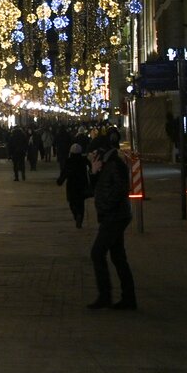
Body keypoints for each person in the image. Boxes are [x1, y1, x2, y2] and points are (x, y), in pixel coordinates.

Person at [87, 132, 137, 310]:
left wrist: (106, 206)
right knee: (117, 256)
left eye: (93, 153)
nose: (92, 156)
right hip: (111, 216)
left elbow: (120, 190)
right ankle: (128, 298)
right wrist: (94, 173)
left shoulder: (115, 164)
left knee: (97, 253)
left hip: (115, 216)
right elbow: (93, 190)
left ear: (102, 151)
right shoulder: (106, 165)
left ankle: (105, 295)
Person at [56, 143, 91, 228]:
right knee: (81, 203)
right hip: (82, 184)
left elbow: (64, 173)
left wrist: (60, 181)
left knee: (72, 203)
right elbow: (91, 168)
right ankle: (80, 216)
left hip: (71, 185)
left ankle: (76, 215)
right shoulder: (84, 160)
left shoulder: (69, 161)